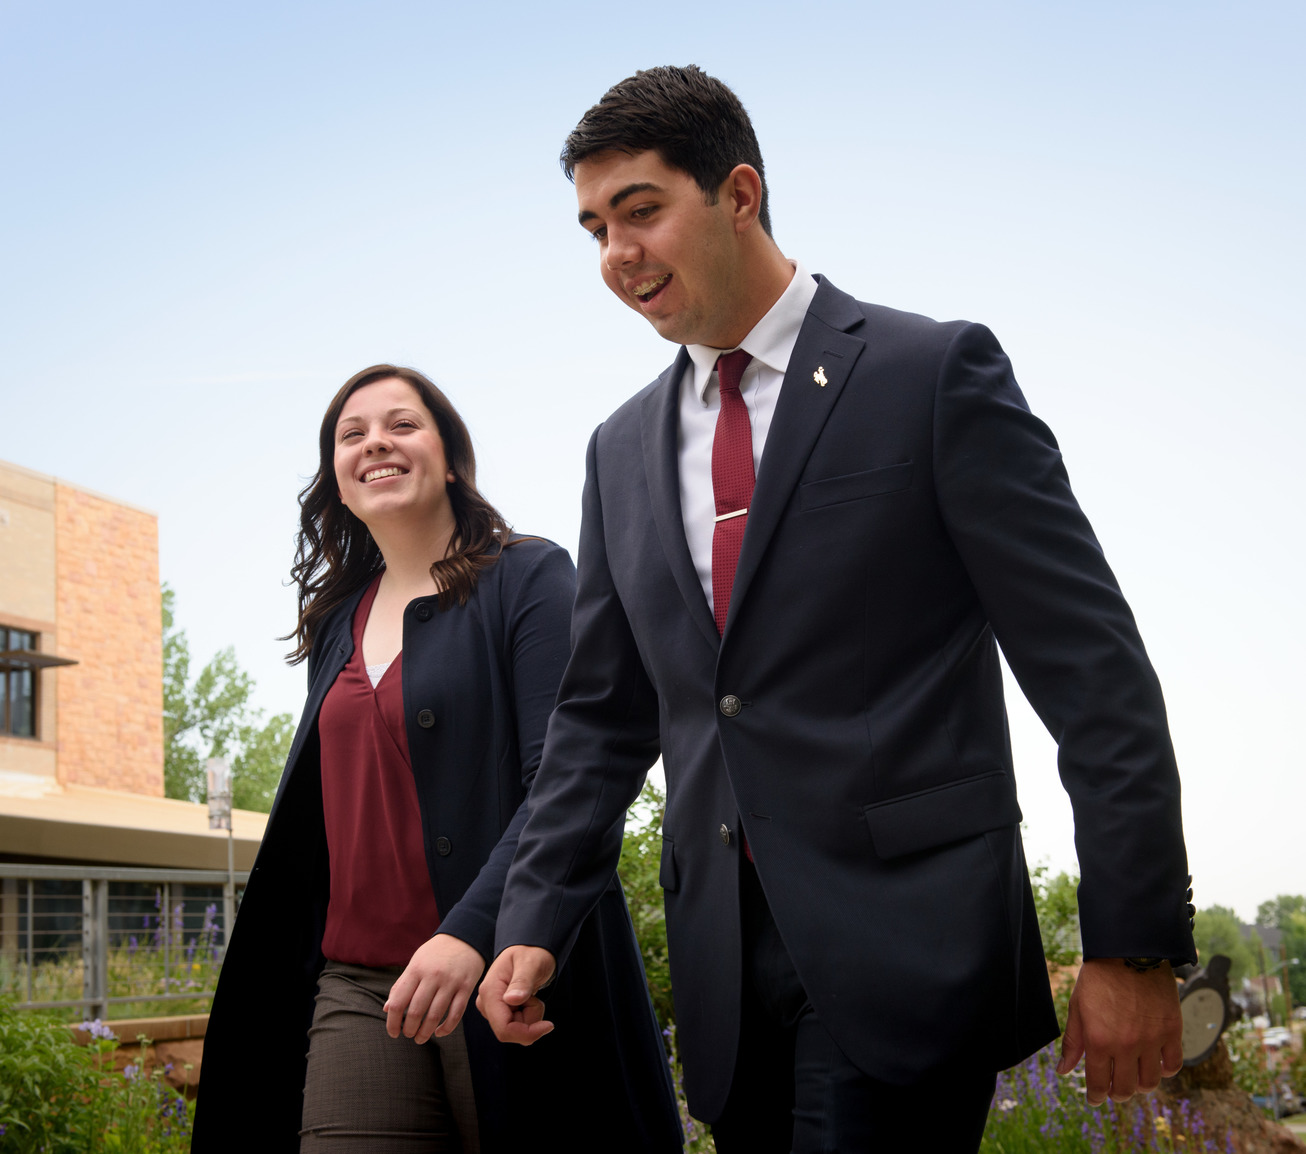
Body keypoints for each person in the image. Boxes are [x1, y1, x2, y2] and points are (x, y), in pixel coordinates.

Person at [478, 66, 1198, 1152]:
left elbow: (1092, 673)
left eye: (640, 211)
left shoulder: (931, 372)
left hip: (909, 941)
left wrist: (1132, 942)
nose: (616, 255)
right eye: (591, 228)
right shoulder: (618, 448)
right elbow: (598, 721)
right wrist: (533, 915)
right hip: (723, 963)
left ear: (738, 193)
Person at [193, 365, 681, 1152]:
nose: (375, 442)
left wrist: (472, 930)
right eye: (352, 436)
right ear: (339, 484)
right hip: (359, 986)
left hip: (505, 971)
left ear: (450, 457)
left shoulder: (529, 578)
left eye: (401, 424)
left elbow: (565, 781)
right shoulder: (335, 624)